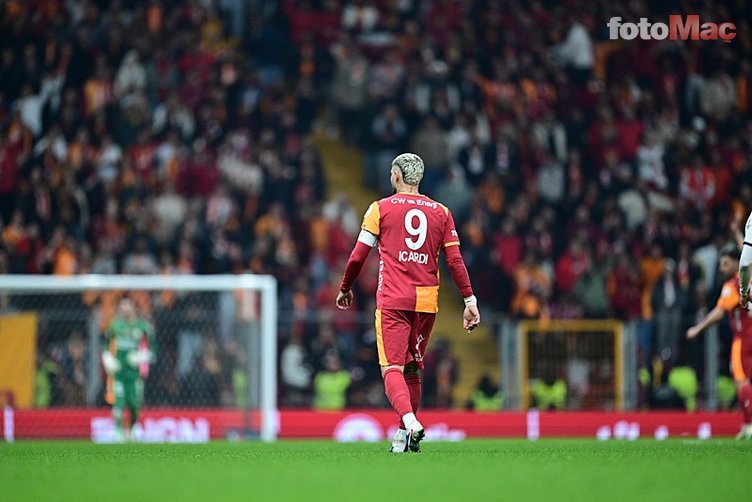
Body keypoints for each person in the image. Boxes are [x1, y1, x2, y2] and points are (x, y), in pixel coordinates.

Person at [336, 153, 480, 453]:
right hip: (426, 302)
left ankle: (411, 423)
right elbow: (454, 260)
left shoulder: (380, 208)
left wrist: (346, 287)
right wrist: (469, 300)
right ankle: (402, 438)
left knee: (392, 369)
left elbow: (358, 256)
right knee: (413, 369)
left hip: (393, 299)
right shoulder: (441, 212)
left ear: (397, 176)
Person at [687, 244, 752, 439]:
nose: (722, 268)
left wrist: (698, 328)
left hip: (743, 339)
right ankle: (746, 424)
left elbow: (720, 311)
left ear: (736, 263)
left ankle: (749, 424)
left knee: (742, 381)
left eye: (725, 263)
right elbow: (747, 250)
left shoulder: (733, 285)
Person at [101, 297, 156, 442]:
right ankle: (119, 432)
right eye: (122, 305)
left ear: (134, 308)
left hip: (134, 373)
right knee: (118, 403)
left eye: (128, 305)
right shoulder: (114, 326)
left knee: (134, 404)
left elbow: (153, 348)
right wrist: (108, 359)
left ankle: (132, 430)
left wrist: (141, 356)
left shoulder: (142, 327)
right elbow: (105, 344)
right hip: (118, 372)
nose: (125, 308)